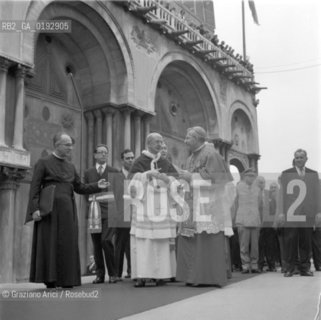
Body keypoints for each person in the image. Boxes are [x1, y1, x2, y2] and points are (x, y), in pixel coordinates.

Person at [25, 132, 109, 289]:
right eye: (67, 145)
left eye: (71, 144)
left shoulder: (70, 166)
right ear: (57, 145)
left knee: (67, 243)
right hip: (49, 211)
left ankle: (67, 279)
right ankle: (50, 279)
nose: (71, 148)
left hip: (68, 210)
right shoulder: (43, 163)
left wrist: (97, 186)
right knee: (50, 243)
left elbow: (79, 187)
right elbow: (34, 187)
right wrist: (34, 209)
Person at [176, 126, 233, 287]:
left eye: (189, 137)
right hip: (191, 204)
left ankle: (207, 277)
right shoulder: (190, 158)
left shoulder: (211, 154)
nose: (185, 140)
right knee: (191, 240)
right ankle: (192, 276)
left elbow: (219, 182)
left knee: (206, 240)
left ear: (199, 138)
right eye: (186, 137)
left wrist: (191, 178)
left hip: (208, 206)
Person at [128, 133, 178, 287]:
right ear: (148, 143)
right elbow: (131, 182)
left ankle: (161, 275)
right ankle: (142, 276)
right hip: (145, 208)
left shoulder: (165, 161)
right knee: (144, 242)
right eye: (157, 142)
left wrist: (167, 180)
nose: (160, 144)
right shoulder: (140, 161)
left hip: (161, 208)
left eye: (161, 141)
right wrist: (146, 174)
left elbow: (176, 182)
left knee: (161, 242)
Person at [276, 149, 321, 277]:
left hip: (308, 213)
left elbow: (317, 194)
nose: (299, 159)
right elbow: (283, 195)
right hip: (291, 213)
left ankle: (305, 268)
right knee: (290, 241)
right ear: (294, 159)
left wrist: (318, 212)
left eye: (301, 157)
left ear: (306, 158)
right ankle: (290, 268)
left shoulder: (313, 174)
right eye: (297, 157)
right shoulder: (286, 173)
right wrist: (281, 212)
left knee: (306, 241)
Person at [84, 144, 119, 284]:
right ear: (95, 155)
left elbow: (119, 191)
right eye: (101, 152)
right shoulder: (88, 172)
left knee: (106, 240)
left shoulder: (114, 171)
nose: (104, 155)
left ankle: (113, 273)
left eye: (106, 152)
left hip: (110, 211)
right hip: (94, 211)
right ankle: (100, 274)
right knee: (97, 243)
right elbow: (85, 190)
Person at [233, 168, 262, 274]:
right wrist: (234, 218)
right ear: (244, 176)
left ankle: (254, 265)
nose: (250, 177)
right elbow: (235, 203)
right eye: (248, 175)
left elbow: (260, 204)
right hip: (242, 219)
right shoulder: (238, 187)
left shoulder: (258, 188)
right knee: (244, 245)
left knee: (255, 245)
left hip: (254, 219)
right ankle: (245, 265)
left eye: (252, 175)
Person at [114, 149, 135, 280]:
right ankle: (116, 273)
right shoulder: (116, 176)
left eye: (132, 158)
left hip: (134, 215)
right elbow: (114, 196)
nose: (130, 160)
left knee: (132, 245)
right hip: (120, 215)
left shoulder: (136, 176)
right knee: (119, 245)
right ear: (122, 160)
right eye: (127, 158)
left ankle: (132, 271)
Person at [257, 178, 279, 272]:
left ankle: (271, 265)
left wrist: (274, 222)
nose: (261, 184)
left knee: (270, 245)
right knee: (260, 245)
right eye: (259, 183)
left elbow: (274, 210)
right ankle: (260, 266)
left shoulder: (269, 195)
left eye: (263, 183)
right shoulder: (255, 194)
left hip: (269, 224)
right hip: (259, 223)